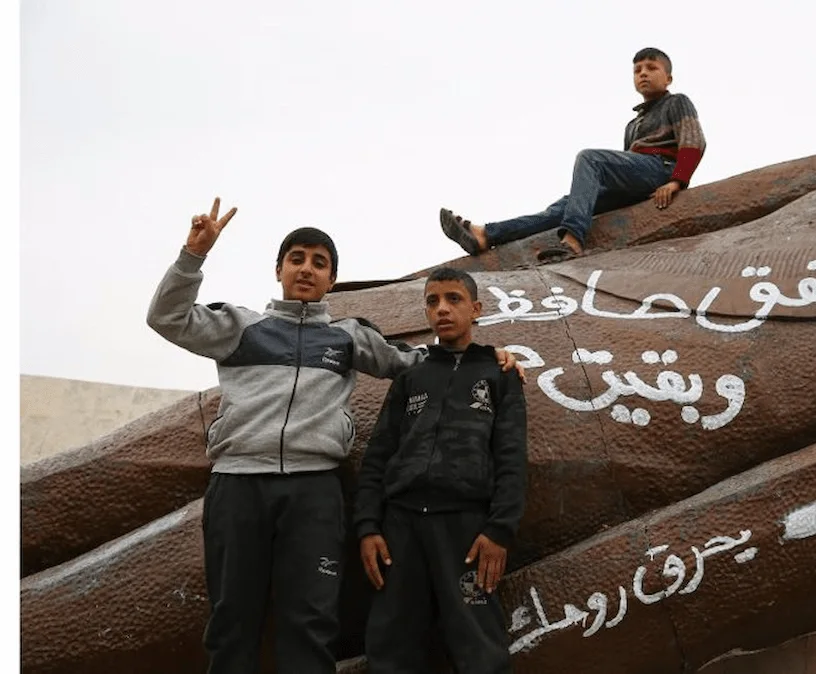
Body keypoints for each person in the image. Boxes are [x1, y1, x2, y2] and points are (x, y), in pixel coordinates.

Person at [145, 198, 522, 674]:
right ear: (278, 269)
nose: (307, 269)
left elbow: (420, 364)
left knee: (310, 622)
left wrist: (493, 358)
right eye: (296, 259)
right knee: (231, 620)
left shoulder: (348, 337)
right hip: (238, 484)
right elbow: (166, 318)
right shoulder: (239, 328)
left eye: (319, 263)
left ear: (332, 279)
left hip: (315, 491)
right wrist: (192, 255)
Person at [353, 267, 528, 674]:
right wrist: (368, 527)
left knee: (479, 647)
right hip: (401, 528)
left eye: (453, 299)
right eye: (432, 302)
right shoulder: (411, 377)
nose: (442, 310)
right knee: (390, 645)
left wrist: (499, 530)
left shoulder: (499, 376)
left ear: (476, 309)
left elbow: (511, 457)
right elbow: (378, 456)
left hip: (466, 531)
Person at [440, 47, 706, 262]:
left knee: (590, 159)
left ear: (668, 78)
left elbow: (694, 142)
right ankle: (486, 235)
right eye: (637, 70)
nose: (643, 74)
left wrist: (676, 181)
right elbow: (626, 166)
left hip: (660, 168)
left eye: (651, 68)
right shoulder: (633, 124)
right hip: (638, 178)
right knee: (566, 206)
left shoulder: (676, 102)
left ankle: (574, 240)